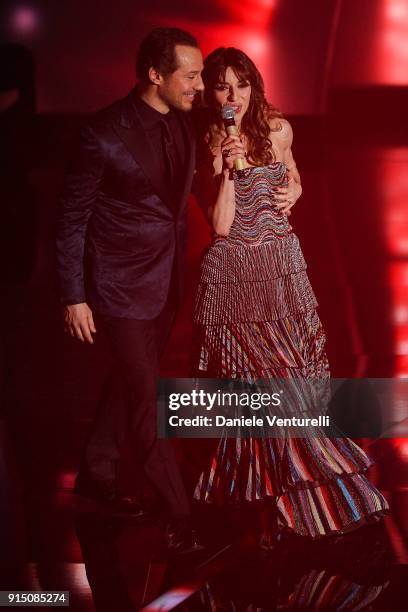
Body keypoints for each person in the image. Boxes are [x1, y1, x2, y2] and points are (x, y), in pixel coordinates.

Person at [191, 47, 389, 545]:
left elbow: (293, 173)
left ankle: (299, 492)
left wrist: (295, 190)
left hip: (283, 270)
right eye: (221, 86)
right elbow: (218, 225)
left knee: (295, 378)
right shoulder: (209, 139)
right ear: (210, 93)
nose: (232, 96)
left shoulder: (279, 129)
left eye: (240, 84)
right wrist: (229, 171)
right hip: (237, 276)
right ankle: (272, 495)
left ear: (254, 87)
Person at [56, 27, 204, 553]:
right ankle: (179, 513)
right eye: (190, 75)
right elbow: (72, 218)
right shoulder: (103, 133)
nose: (199, 85)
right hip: (118, 289)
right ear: (154, 75)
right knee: (146, 397)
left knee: (127, 383)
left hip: (167, 281)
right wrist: (74, 295)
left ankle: (96, 475)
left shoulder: (186, 123)